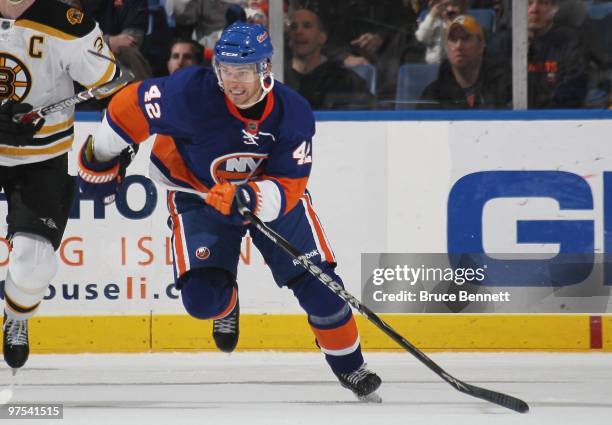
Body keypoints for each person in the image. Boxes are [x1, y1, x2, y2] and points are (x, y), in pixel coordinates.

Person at [77, 21, 382, 402]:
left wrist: (251, 198)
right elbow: (128, 106)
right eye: (225, 71)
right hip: (198, 192)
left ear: (265, 69)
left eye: (243, 72)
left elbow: (290, 185)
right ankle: (228, 304)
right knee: (203, 301)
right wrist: (101, 155)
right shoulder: (191, 92)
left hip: (270, 195)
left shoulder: (292, 112)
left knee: (322, 291)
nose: (233, 82)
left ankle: (352, 368)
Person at [0, 0, 121, 370]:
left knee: (33, 265)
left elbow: (110, 82)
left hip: (40, 155)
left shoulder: (69, 22)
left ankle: (16, 316)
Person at [284, 7, 374, 110]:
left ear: (322, 38)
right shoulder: (276, 78)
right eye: (293, 27)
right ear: (289, 39)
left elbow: (369, 116)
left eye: (307, 26)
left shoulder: (344, 80)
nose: (299, 31)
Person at [418, 15, 511, 109]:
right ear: (447, 47)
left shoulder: (505, 87)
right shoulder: (433, 94)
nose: (458, 45)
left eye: (466, 38)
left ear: (481, 45)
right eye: (453, 39)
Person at [415, 0, 468, 64]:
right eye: (445, 5)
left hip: (455, 65)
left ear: (462, 7)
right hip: (433, 64)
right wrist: (431, 15)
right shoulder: (433, 22)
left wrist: (451, 24)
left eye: (455, 5)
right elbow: (421, 37)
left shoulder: (465, 22)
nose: (450, 9)